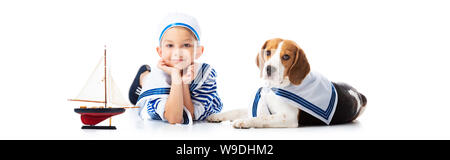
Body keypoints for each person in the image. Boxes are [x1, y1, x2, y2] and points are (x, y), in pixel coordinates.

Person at [129, 13, 222, 124]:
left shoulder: (203, 73)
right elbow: (174, 118)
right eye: (170, 45)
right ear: (160, 51)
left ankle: (145, 77)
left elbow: (188, 116)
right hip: (160, 75)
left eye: (186, 45)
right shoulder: (158, 77)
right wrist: (175, 74)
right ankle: (143, 78)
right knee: (150, 79)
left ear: (198, 51)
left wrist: (182, 82)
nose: (177, 53)